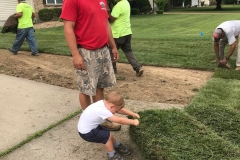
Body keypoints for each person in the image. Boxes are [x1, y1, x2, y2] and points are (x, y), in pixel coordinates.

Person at [60, 0, 121, 131]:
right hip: (86, 51)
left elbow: (106, 24)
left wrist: (113, 47)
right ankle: (88, 119)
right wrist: (76, 54)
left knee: (99, 87)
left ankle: (100, 119)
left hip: (103, 49)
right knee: (86, 88)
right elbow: (68, 27)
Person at [78, 91, 140, 160]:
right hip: (87, 133)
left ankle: (117, 145)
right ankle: (112, 156)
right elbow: (119, 120)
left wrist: (132, 114)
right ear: (112, 106)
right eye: (115, 111)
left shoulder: (104, 103)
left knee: (108, 134)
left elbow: (120, 110)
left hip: (90, 127)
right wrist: (133, 122)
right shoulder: (103, 111)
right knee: (107, 138)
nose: (116, 112)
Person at [109, 0, 144, 76]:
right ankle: (138, 67)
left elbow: (111, 19)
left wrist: (106, 15)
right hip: (127, 32)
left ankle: (113, 71)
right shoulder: (126, 3)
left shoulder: (118, 6)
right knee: (128, 51)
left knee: (112, 52)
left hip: (117, 34)